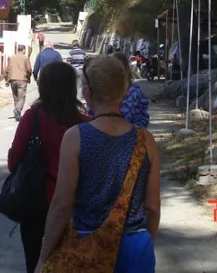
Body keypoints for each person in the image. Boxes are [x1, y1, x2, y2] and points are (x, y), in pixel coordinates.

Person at [36, 56, 161, 272]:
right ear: (124, 91)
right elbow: (152, 207)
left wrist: (44, 255)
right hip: (136, 245)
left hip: (88, 246)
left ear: (87, 92)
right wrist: (146, 242)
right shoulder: (145, 140)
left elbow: (62, 204)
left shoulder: (76, 137)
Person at [8, 61, 89, 273]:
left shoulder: (32, 117)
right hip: (75, 206)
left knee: (35, 261)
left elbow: (13, 161)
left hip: (36, 203)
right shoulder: (85, 123)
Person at [5, 44, 33, 121]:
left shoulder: (11, 58)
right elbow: (29, 69)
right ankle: (17, 110)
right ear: (23, 50)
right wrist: (28, 76)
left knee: (16, 97)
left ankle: (17, 113)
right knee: (22, 97)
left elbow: (7, 69)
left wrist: (6, 79)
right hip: (22, 80)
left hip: (12, 80)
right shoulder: (25, 58)